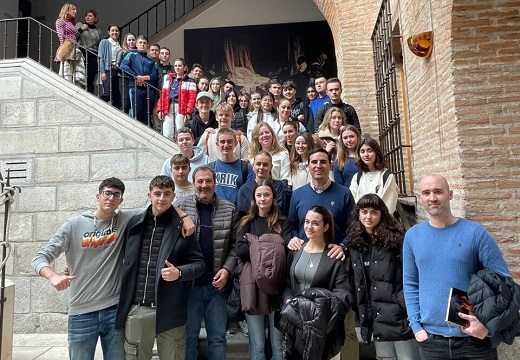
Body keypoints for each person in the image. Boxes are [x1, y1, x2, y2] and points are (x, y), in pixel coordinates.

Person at [403, 174, 512, 360]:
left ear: (450, 194)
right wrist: (416, 327)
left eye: (438, 192)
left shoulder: (475, 233)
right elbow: (411, 283)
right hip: (431, 341)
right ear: (420, 197)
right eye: (426, 193)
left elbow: (503, 282)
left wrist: (486, 324)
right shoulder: (413, 236)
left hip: (474, 340)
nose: (432, 198)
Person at [31, 178, 133, 360]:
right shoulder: (74, 225)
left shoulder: (124, 220)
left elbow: (158, 206)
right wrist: (52, 276)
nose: (111, 198)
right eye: (107, 193)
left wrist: (183, 216)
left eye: (116, 195)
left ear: (121, 200)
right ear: (98, 196)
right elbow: (39, 257)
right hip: (81, 314)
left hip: (114, 311)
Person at [116, 175, 206, 360]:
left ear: (174, 197)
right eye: (157, 194)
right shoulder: (134, 224)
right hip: (138, 308)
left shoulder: (183, 228)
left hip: (171, 310)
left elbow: (200, 265)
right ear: (149, 195)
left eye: (166, 194)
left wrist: (179, 273)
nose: (161, 198)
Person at [287, 147, 359, 360]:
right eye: (314, 162)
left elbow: (355, 227)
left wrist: (343, 246)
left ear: (330, 165)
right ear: (308, 166)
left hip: (336, 265)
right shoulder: (298, 195)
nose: (318, 166)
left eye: (323, 162)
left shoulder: (343, 193)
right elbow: (290, 224)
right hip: (306, 264)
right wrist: (292, 238)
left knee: (344, 324)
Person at [176, 166, 238, 360]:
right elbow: (160, 206)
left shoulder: (229, 209)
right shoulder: (181, 206)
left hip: (217, 287)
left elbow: (236, 246)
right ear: (194, 183)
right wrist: (182, 215)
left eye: (208, 181)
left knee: (218, 338)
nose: (204, 185)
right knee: (189, 338)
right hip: (190, 287)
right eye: (200, 181)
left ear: (215, 182)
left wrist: (227, 270)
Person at [347, 194, 419, 360]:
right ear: (358, 213)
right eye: (364, 212)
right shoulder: (356, 242)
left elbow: (409, 274)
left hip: (398, 314)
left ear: (382, 214)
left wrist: (402, 303)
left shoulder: (396, 240)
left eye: (374, 212)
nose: (368, 217)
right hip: (374, 315)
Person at [282, 206, 351, 360]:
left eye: (315, 223)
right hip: (296, 323)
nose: (309, 227)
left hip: (323, 328)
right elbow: (286, 283)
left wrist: (320, 309)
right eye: (307, 222)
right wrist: (288, 302)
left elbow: (344, 293)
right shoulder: (295, 251)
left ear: (325, 227)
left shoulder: (334, 256)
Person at [236, 180, 292, 360]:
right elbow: (241, 250)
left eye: (266, 195)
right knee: (258, 345)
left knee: (277, 345)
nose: (262, 198)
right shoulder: (246, 221)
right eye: (259, 195)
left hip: (277, 285)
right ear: (254, 198)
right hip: (253, 286)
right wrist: (271, 245)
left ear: (273, 197)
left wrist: (256, 243)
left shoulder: (282, 222)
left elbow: (285, 250)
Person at [349, 136, 399, 214]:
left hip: (383, 222)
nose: (366, 155)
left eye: (370, 151)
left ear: (376, 153)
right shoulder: (357, 177)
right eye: (362, 151)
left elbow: (388, 206)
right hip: (362, 222)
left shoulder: (386, 176)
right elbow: (354, 203)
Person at [236, 151, 290, 217]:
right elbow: (240, 213)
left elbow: (279, 210)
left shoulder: (278, 186)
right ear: (253, 167)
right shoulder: (244, 189)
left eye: (265, 165)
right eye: (258, 164)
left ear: (271, 167)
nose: (261, 167)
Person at [119, 35, 158, 126]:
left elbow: (155, 74)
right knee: (136, 115)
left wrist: (144, 78)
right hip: (135, 88)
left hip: (148, 89)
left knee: (147, 116)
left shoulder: (151, 60)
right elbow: (123, 66)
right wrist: (136, 76)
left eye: (144, 43)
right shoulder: (131, 55)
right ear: (136, 44)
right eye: (140, 42)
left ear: (147, 46)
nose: (142, 45)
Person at [210, 127, 254, 203]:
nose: (226, 145)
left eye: (229, 141)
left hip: (236, 212)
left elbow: (249, 195)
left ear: (236, 143)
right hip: (215, 212)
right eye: (222, 142)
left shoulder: (246, 168)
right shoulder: (210, 168)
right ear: (217, 144)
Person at [157, 58, 197, 140]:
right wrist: (160, 109)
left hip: (181, 109)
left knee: (180, 132)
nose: (177, 68)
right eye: (175, 66)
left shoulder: (190, 81)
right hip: (168, 108)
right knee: (167, 134)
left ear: (184, 68)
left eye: (179, 66)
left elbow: (192, 99)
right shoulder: (168, 79)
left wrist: (188, 112)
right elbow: (163, 96)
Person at [55, 3, 85, 86]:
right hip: (67, 47)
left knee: (76, 71)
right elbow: (60, 35)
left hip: (75, 48)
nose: (76, 11)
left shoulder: (71, 23)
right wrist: (63, 49)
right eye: (73, 9)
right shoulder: (60, 21)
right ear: (67, 10)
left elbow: (75, 34)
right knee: (67, 70)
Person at [75, 9, 102, 94]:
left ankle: (90, 97)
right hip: (82, 53)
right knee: (80, 76)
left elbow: (98, 44)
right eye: (86, 15)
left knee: (90, 79)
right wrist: (81, 29)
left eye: (90, 16)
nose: (87, 17)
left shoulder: (98, 30)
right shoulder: (80, 24)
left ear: (95, 18)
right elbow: (73, 36)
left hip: (93, 55)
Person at [98, 24, 122, 109]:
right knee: (107, 93)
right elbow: (100, 57)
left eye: (116, 31)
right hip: (107, 69)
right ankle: (97, 104)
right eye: (112, 30)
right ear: (109, 32)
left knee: (117, 97)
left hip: (116, 71)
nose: (115, 32)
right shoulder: (104, 42)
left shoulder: (119, 45)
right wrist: (102, 72)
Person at [120, 32, 137, 114]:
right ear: (126, 41)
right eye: (129, 40)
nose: (131, 42)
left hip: (136, 81)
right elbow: (121, 65)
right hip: (126, 79)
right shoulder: (123, 52)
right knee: (126, 102)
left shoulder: (139, 53)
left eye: (133, 40)